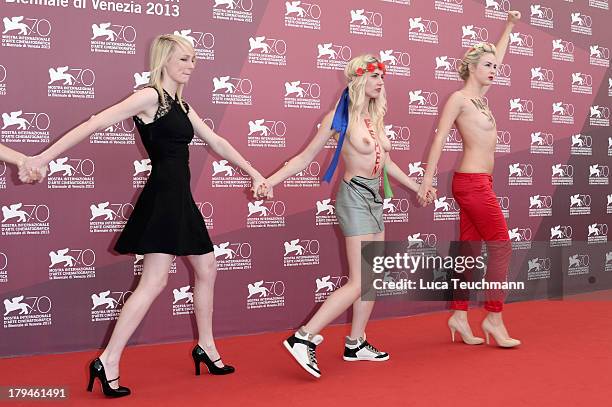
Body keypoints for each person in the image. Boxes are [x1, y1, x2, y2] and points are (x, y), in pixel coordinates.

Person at [21, 34, 267, 397]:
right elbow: (94, 123)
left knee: (206, 268)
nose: (191, 65)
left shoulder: (181, 105)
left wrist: (255, 172)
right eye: (184, 59)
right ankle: (109, 359)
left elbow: (216, 142)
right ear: (164, 60)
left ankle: (207, 347)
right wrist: (42, 158)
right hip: (164, 198)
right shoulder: (150, 97)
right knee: (154, 282)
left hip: (180, 197)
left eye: (194, 59)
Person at [257, 54, 426, 378]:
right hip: (354, 199)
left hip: (375, 198)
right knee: (359, 279)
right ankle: (303, 337)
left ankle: (356, 343)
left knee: (372, 276)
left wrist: (415, 186)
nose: (380, 82)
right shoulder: (339, 118)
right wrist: (270, 181)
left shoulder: (375, 118)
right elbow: (305, 158)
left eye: (382, 76)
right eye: (374, 76)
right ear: (360, 80)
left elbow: (386, 164)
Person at [417, 11, 522, 348]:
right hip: (471, 183)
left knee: (470, 251)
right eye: (488, 66)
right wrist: (426, 181)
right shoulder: (459, 100)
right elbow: (438, 140)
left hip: (481, 183)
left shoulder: (481, 99)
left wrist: (509, 27)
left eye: (496, 67)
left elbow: (499, 53)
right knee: (502, 246)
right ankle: (494, 317)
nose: (494, 70)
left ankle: (459, 315)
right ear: (472, 68)